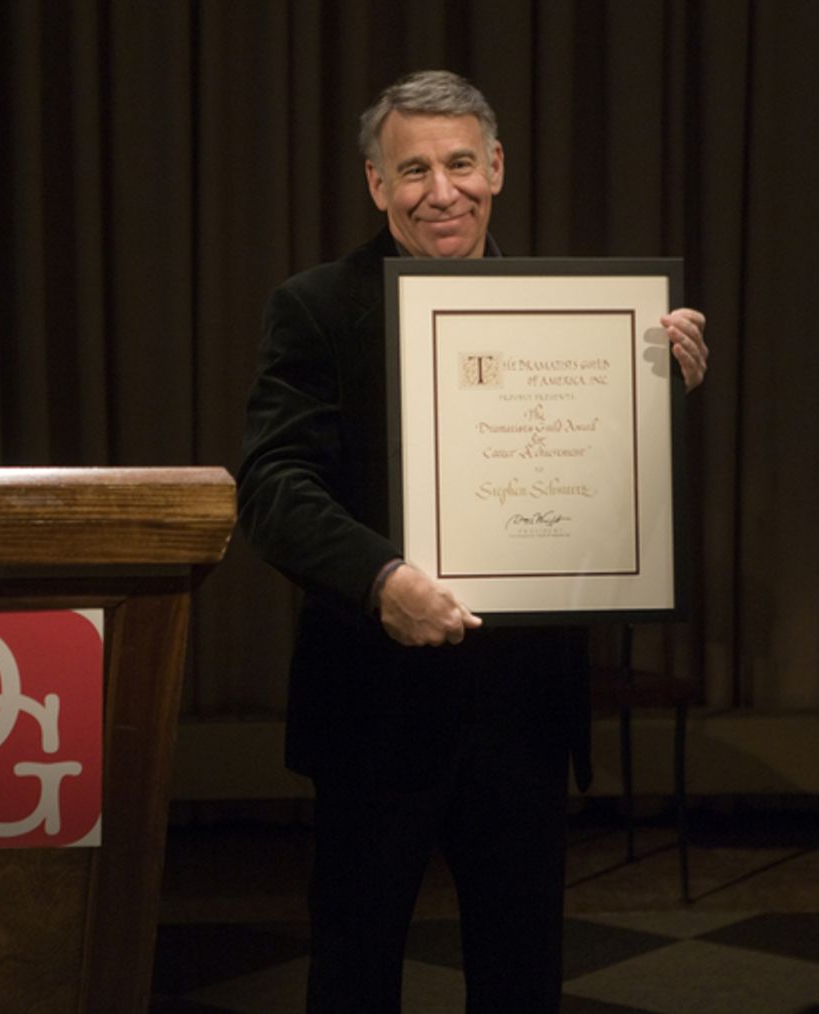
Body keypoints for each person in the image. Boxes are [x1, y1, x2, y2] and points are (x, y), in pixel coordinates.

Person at [237, 70, 708, 1013]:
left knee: (521, 978)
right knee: (354, 975)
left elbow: (599, 490)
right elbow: (274, 490)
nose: (439, 190)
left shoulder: (586, 321)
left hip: (522, 706)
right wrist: (382, 580)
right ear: (377, 184)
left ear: (496, 167)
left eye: (459, 163)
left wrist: (657, 393)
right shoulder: (317, 308)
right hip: (375, 705)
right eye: (412, 170)